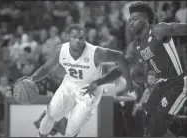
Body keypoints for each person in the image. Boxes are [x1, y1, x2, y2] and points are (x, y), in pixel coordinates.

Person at [15, 24, 136, 137]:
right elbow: (46, 68)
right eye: (74, 37)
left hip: (90, 90)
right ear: (68, 37)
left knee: (69, 132)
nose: (77, 40)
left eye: (81, 37)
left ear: (85, 38)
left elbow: (121, 57)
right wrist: (32, 78)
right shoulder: (60, 51)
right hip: (69, 85)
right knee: (50, 115)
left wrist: (123, 82)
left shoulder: (96, 53)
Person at [127, 1, 187, 137]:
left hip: (178, 82)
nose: (131, 22)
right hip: (161, 84)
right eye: (130, 19)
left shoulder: (159, 30)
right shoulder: (135, 45)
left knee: (157, 125)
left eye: (135, 19)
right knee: (147, 119)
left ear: (146, 18)